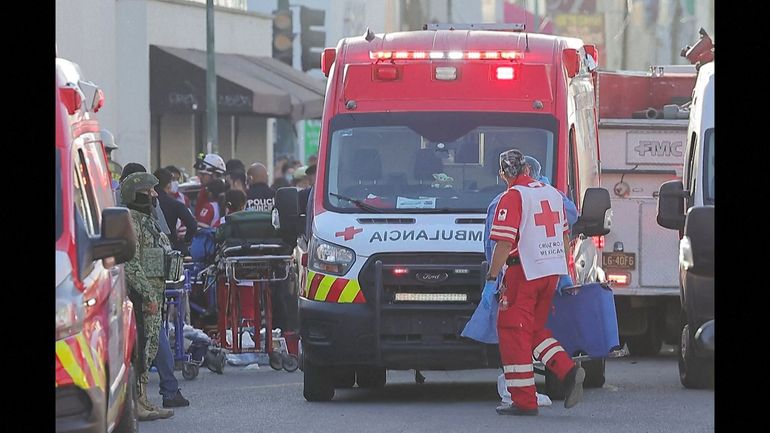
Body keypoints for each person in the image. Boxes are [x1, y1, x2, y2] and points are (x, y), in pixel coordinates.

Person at [486, 149, 584, 416]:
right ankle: (567, 370)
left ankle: (524, 401)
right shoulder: (553, 194)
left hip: (524, 272)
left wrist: (492, 275)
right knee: (533, 328)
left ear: (504, 173)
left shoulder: (513, 196)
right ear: (528, 169)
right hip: (551, 271)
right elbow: (565, 238)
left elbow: (505, 242)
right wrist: (562, 269)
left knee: (512, 330)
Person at [120, 172, 175, 421]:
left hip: (155, 296)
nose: (154, 195)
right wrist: (147, 294)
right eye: (149, 191)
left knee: (150, 349)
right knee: (141, 351)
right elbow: (131, 265)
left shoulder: (147, 220)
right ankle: (137, 402)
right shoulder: (131, 221)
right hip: (144, 299)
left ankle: (144, 399)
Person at [119, 163, 172, 236]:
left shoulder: (110, 195)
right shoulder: (113, 197)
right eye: (146, 190)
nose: (155, 194)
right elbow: (164, 230)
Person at [153, 168, 198, 254]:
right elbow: (192, 225)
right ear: (169, 185)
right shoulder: (175, 204)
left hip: (151, 248)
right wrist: (185, 241)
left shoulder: (146, 202)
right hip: (171, 246)